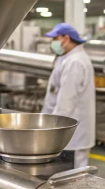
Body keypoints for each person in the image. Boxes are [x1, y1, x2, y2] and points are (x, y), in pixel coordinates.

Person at [41, 23, 96, 168]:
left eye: (55, 38)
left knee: (72, 180)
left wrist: (52, 133)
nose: (52, 43)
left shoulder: (75, 62)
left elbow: (66, 102)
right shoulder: (67, 58)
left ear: (66, 38)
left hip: (72, 136)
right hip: (69, 134)